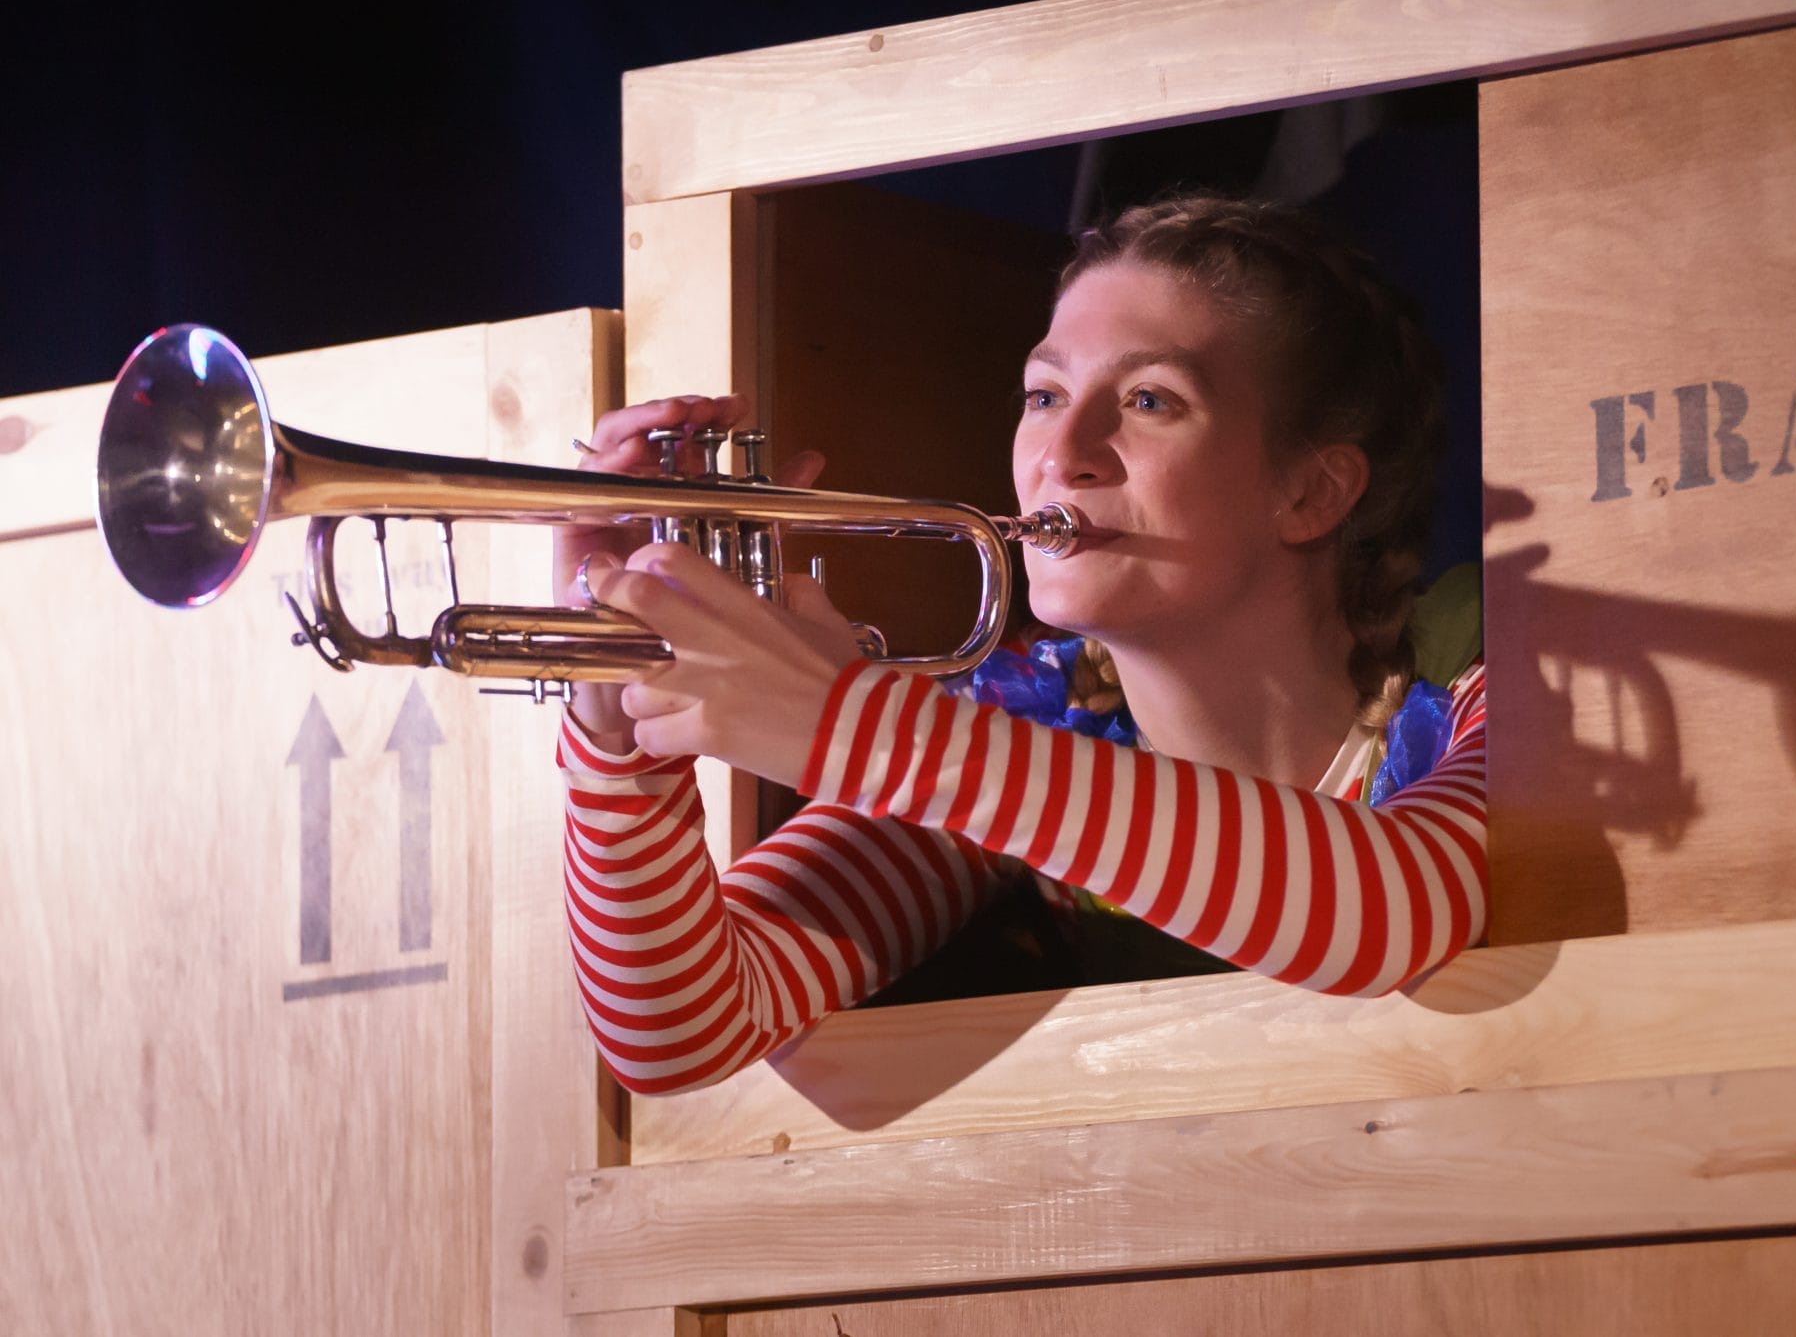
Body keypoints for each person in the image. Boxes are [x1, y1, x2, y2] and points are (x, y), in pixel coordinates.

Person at [554, 196, 1487, 1095]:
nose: (1063, 450)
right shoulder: (1033, 724)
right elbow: (680, 1031)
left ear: (1312, 494)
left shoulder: (1492, 655)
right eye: (1044, 393)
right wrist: (616, 725)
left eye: (1152, 400)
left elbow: (1397, 907)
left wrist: (846, 728)